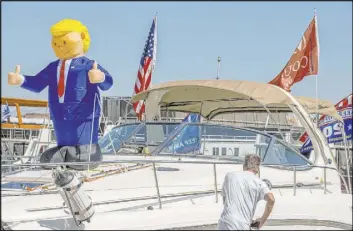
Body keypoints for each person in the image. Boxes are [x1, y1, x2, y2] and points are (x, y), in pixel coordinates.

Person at [7, 19, 114, 170]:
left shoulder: (88, 65)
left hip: (83, 116)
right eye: (56, 43)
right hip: (58, 114)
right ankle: (64, 150)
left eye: (64, 42)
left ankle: (88, 151)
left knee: (81, 142)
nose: (59, 46)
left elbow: (108, 83)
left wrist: (100, 77)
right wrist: (21, 80)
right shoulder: (53, 67)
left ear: (82, 37)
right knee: (63, 138)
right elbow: (38, 83)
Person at [218, 154, 275, 230]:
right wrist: (262, 220)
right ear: (258, 168)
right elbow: (271, 199)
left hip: (225, 222)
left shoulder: (230, 176)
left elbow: (225, 202)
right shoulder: (259, 182)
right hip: (241, 225)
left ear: (244, 165)